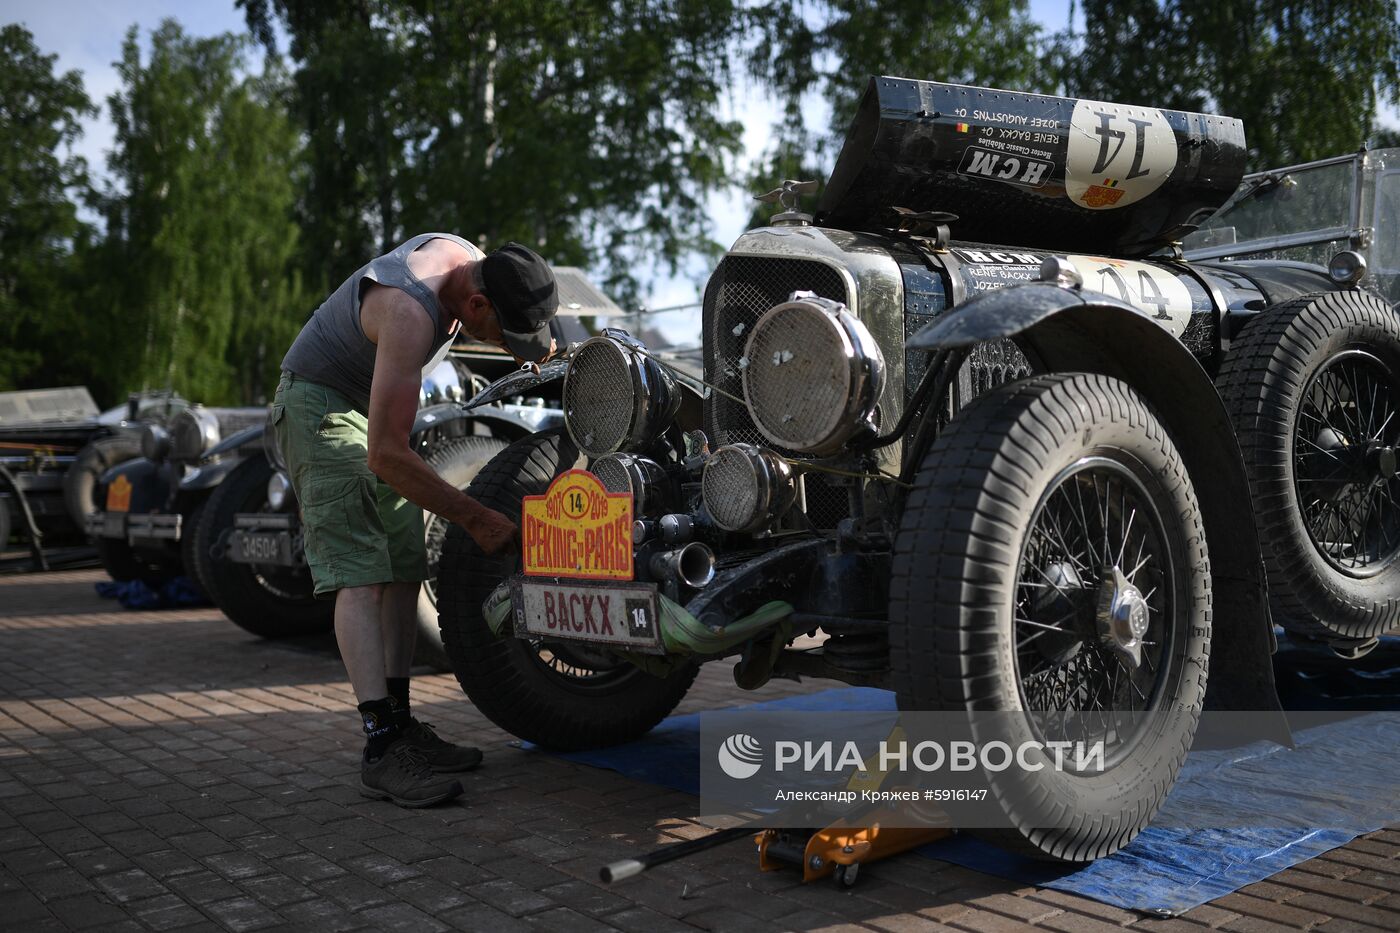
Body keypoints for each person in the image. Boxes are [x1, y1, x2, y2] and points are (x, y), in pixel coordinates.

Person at [275, 233, 558, 807]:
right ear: (476, 307)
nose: (506, 349)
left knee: (404, 564)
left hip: (366, 412)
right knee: (362, 575)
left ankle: (402, 724)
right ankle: (381, 747)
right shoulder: (408, 311)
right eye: (504, 336)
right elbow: (383, 454)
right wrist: (477, 518)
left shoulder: (470, 262)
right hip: (320, 408)